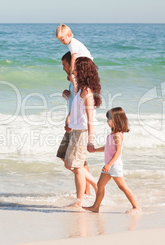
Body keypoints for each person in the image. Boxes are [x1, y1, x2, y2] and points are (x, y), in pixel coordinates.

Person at [83, 107, 141, 214]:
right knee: (100, 185)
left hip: (114, 165)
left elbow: (118, 152)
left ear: (116, 120)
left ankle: (136, 207)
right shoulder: (112, 135)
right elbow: (107, 148)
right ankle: (95, 207)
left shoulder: (118, 135)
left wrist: (109, 164)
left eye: (109, 119)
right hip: (109, 165)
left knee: (122, 186)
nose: (107, 121)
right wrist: (95, 150)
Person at [64, 57, 101, 208]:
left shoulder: (87, 91)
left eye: (76, 68)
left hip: (83, 133)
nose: (73, 70)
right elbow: (75, 109)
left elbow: (90, 118)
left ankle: (80, 200)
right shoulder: (79, 87)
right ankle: (95, 186)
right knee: (69, 163)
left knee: (77, 166)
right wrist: (70, 123)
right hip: (76, 131)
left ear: (83, 71)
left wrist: (90, 140)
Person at [56, 51, 93, 196]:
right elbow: (76, 103)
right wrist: (68, 97)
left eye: (64, 65)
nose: (63, 68)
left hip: (76, 125)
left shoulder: (79, 83)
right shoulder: (73, 86)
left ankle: (87, 192)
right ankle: (88, 190)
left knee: (78, 162)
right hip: (73, 123)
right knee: (69, 159)